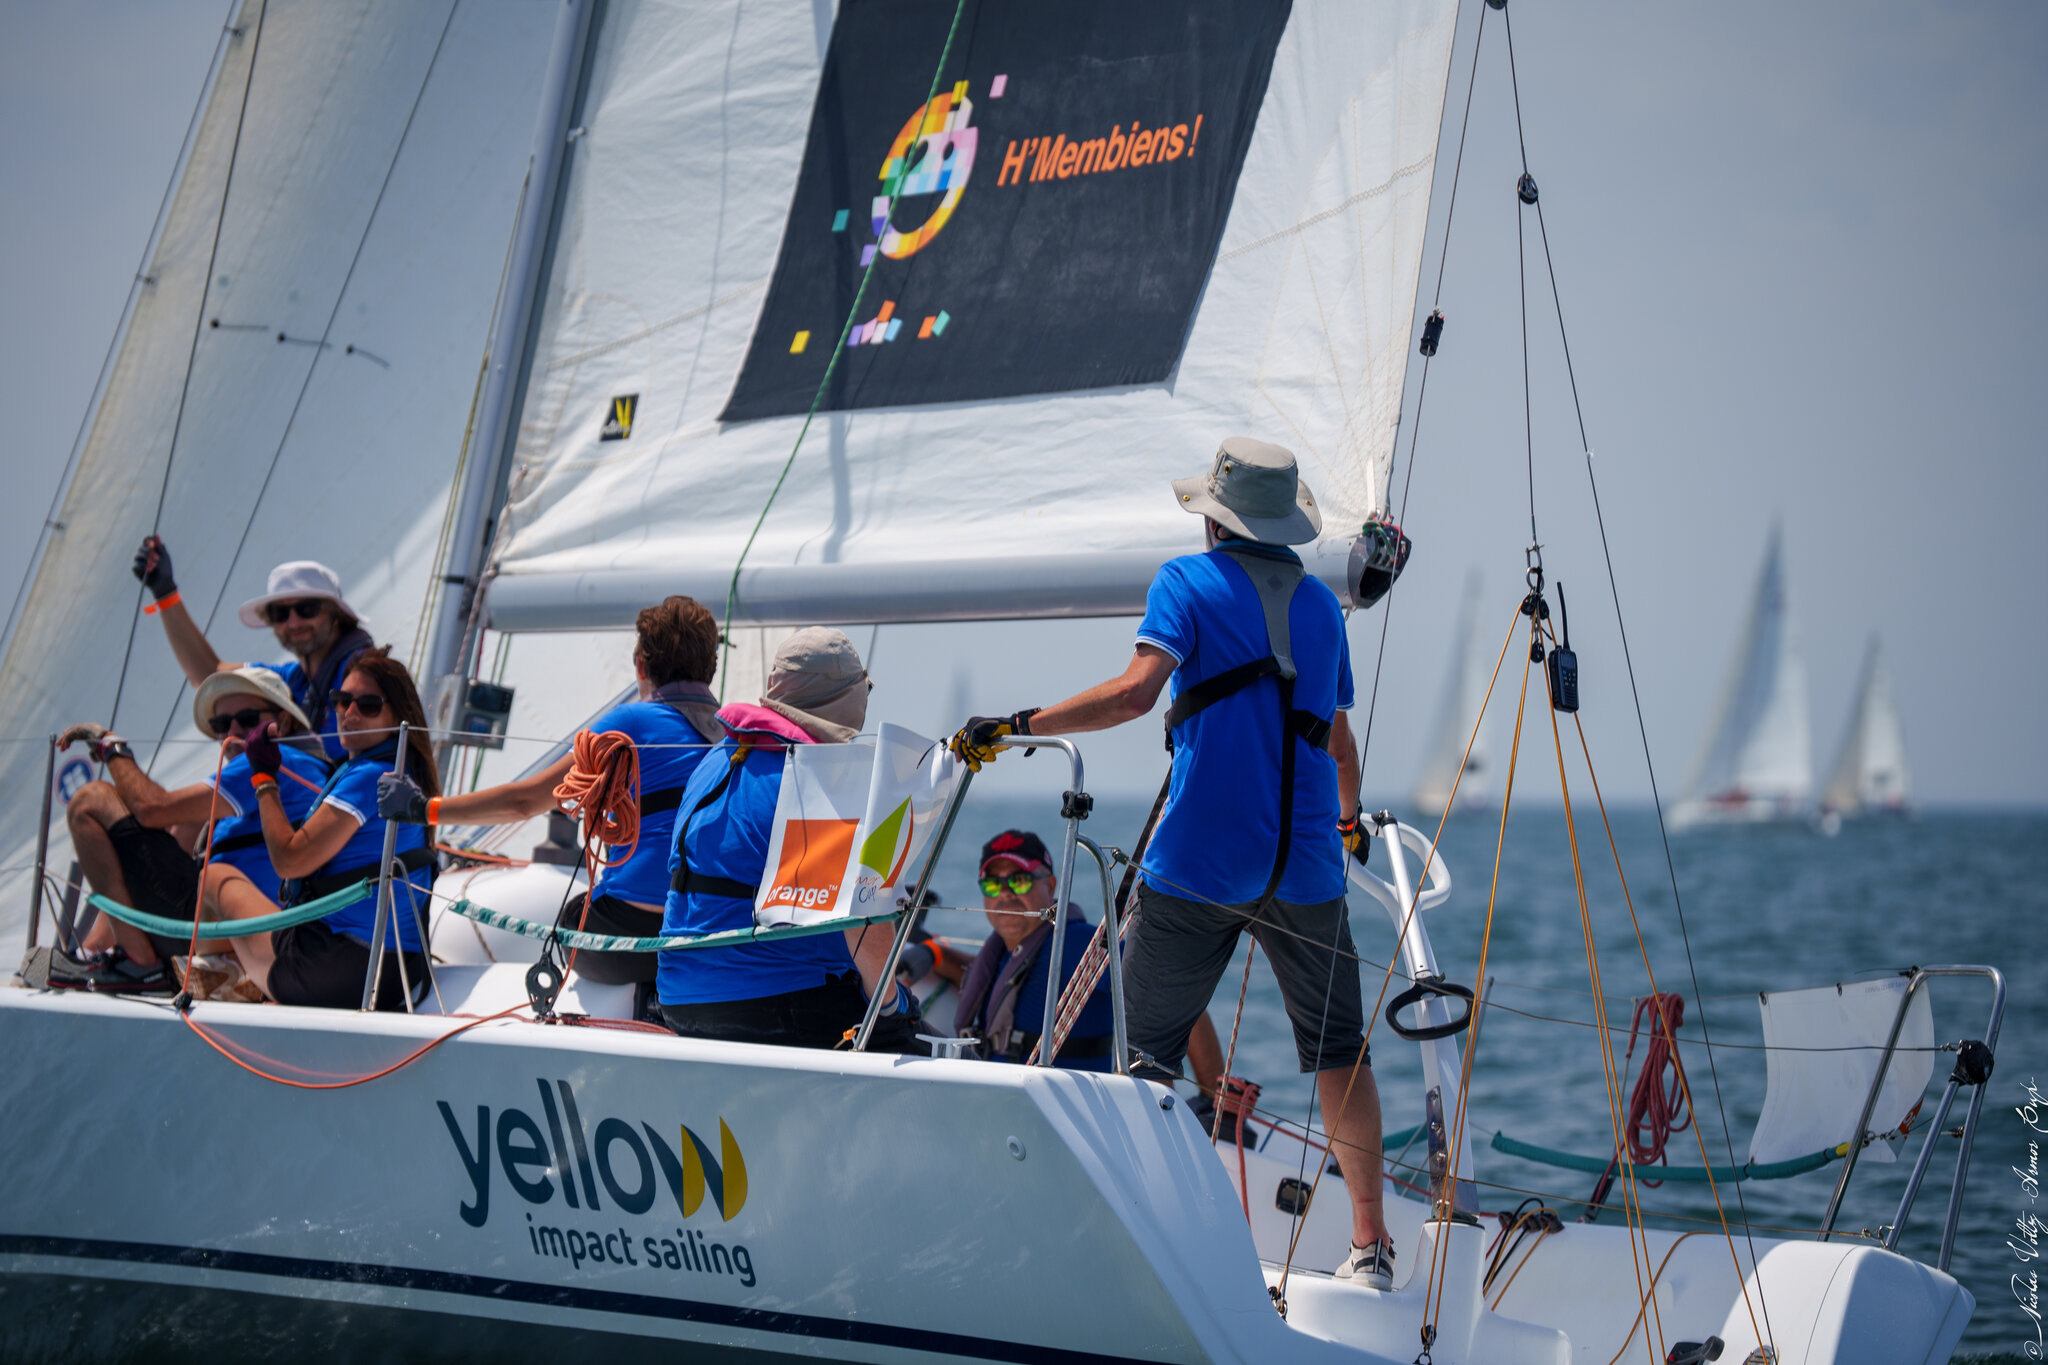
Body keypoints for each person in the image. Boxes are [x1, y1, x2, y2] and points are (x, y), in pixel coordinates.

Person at [950, 437, 1394, 1288]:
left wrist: (1016, 726)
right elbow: (1338, 742)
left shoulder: (1185, 583)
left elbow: (1133, 694)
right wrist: (1348, 823)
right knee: (1341, 1049)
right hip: (1306, 865)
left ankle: (1144, 1241)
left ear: (1215, 522)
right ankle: (1371, 1244)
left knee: (1146, 1052)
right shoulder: (1322, 608)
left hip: (1199, 862)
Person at [378, 596, 723, 991]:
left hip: (628, 938)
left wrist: (424, 808)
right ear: (710, 667)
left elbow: (524, 802)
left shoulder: (631, 723)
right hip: (707, 933)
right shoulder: (735, 736)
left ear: (641, 666)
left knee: (571, 919)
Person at [657, 628, 920, 1051]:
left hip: (678, 997)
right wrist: (891, 1006)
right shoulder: (822, 783)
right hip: (779, 1003)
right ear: (849, 698)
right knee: (916, 1039)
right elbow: (865, 926)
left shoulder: (716, 759)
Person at [49, 668, 329, 993]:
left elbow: (151, 807)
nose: (233, 732)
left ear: (282, 721)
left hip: (232, 926)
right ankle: (106, 951)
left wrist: (111, 747)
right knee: (184, 824)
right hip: (247, 924)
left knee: (90, 801)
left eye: (247, 719)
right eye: (222, 725)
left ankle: (139, 964)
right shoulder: (303, 767)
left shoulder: (271, 761)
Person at [195, 647, 437, 1008]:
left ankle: (217, 973)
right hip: (395, 973)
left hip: (336, 972)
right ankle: (232, 972)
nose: (349, 713)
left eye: (368, 705)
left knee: (214, 876)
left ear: (399, 715)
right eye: (342, 701)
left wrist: (263, 778)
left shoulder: (369, 778)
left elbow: (289, 862)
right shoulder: (403, 776)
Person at [132, 536, 375, 760]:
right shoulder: (291, 679)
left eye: (306, 609)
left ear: (335, 614)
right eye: (280, 613)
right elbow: (211, 674)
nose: (293, 622)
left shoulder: (363, 669)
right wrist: (165, 593)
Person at [953, 830, 1116, 1070]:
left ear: (1050, 886)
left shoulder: (1077, 943)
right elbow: (982, 974)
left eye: (1019, 880)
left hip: (1057, 1094)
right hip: (996, 1089)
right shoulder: (1002, 952)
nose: (1005, 893)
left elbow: (1157, 982)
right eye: (992, 884)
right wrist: (934, 954)